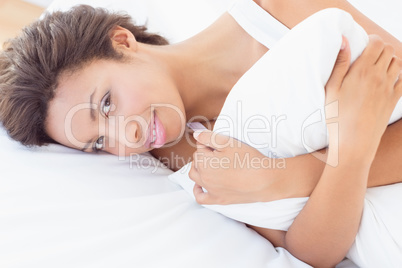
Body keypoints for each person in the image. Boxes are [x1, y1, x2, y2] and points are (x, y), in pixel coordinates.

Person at [0, 0, 401, 266]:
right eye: (99, 142)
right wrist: (351, 147)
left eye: (107, 103)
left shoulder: (278, 10)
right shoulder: (189, 162)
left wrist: (286, 177)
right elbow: (312, 252)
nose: (129, 136)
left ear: (122, 42)